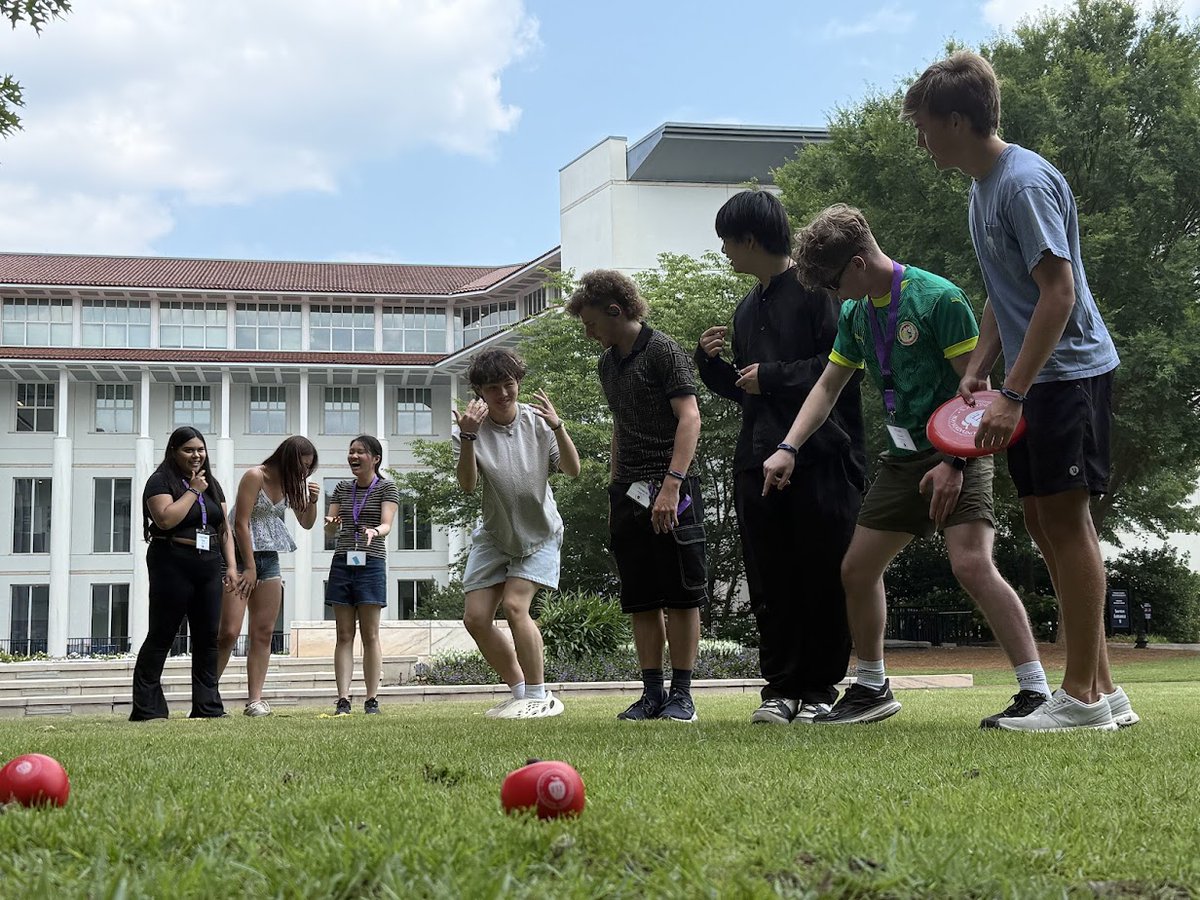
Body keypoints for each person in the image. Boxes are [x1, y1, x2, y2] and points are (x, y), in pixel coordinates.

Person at [902, 50, 1134, 731]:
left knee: (1065, 521)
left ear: (956, 119)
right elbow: (1009, 295)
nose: (918, 138)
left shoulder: (1022, 184)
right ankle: (1106, 690)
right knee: (1043, 520)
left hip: (1068, 375)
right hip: (1039, 377)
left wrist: (1013, 393)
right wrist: (979, 368)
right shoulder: (984, 187)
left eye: (922, 125)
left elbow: (1056, 295)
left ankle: (1081, 700)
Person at [763, 204, 1053, 728]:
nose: (834, 296)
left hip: (959, 449)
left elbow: (979, 393)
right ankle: (872, 686)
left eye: (832, 283)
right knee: (857, 567)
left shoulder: (937, 299)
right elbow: (828, 386)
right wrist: (789, 446)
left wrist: (954, 464)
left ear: (856, 263)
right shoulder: (857, 313)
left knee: (970, 565)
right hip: (902, 458)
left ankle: (1036, 692)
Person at [695, 190, 867, 725]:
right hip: (757, 457)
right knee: (769, 577)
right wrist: (711, 367)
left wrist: (771, 375)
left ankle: (817, 690)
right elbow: (750, 390)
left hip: (822, 457)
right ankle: (780, 689)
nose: (723, 251)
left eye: (727, 240)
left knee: (821, 572)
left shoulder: (819, 293)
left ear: (749, 239)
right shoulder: (747, 306)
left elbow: (841, 367)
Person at [565, 269, 706, 723]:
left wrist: (672, 484)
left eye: (590, 323)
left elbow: (690, 419)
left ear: (615, 310)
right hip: (629, 492)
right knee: (642, 597)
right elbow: (620, 430)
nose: (588, 333)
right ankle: (651, 695)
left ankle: (682, 697)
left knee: (681, 595)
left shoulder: (664, 351)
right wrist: (614, 493)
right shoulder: (608, 365)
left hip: (674, 489)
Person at [452, 348, 582, 719]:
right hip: (495, 535)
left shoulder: (539, 422)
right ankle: (520, 690)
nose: (503, 394)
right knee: (475, 619)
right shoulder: (469, 429)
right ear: (479, 391)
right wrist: (468, 438)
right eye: (493, 388)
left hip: (538, 534)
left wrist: (558, 426)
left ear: (518, 383)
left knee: (514, 606)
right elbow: (466, 485)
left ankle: (539, 694)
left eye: (509, 384)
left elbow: (572, 471)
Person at [131, 427, 242, 721]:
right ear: (173, 451)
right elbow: (166, 519)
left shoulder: (211, 483)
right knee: (162, 634)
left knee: (208, 637)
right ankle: (148, 708)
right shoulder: (160, 481)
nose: (196, 455)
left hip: (209, 562)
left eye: (200, 450)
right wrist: (193, 491)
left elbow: (224, 528)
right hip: (172, 559)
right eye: (188, 450)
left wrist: (230, 566)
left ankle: (207, 707)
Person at [217, 436, 320, 717]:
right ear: (287, 458)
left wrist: (312, 502)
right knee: (229, 632)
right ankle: (207, 693)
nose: (304, 473)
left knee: (263, 633)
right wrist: (248, 568)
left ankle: (255, 701)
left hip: (269, 558)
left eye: (308, 468)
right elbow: (239, 523)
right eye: (302, 466)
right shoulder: (255, 476)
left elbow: (307, 523)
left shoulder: (291, 484)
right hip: (240, 557)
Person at [324, 434, 399, 716]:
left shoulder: (387, 488)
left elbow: (387, 525)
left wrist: (373, 531)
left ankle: (371, 700)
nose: (353, 457)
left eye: (360, 452)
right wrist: (331, 525)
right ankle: (342, 700)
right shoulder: (342, 488)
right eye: (351, 452)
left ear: (375, 459)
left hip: (372, 562)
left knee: (370, 634)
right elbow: (331, 531)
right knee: (344, 634)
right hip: (343, 561)